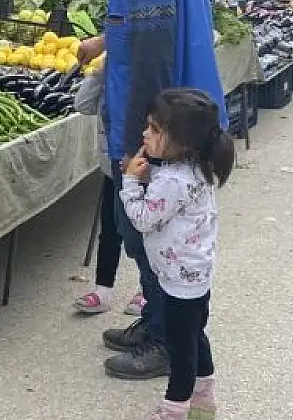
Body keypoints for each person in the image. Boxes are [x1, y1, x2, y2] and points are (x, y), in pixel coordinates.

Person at [66, 0, 227, 381]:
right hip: (184, 120)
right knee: (150, 237)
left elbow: (152, 69)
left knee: (148, 237)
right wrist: (105, 41)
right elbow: (147, 35)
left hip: (164, 134)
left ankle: (164, 340)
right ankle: (157, 321)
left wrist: (143, 151)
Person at [120, 88, 234, 420]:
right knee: (195, 336)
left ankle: (174, 409)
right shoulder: (197, 167)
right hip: (195, 275)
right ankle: (203, 399)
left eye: (155, 129)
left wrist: (129, 182)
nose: (145, 134)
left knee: (180, 348)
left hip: (178, 281)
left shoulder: (172, 180)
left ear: (182, 140)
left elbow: (143, 219)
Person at [73, 58, 145, 318]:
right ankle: (103, 291)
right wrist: (100, 73)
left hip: (142, 172)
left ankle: (146, 290)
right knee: (110, 229)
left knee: (144, 232)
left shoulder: (144, 84)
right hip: (111, 169)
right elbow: (81, 104)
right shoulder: (107, 84)